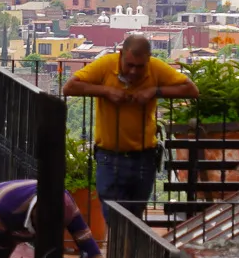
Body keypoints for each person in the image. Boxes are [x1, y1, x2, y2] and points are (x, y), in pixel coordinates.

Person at [62, 34, 198, 223]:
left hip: (144, 157)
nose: (133, 71)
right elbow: (69, 87)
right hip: (109, 156)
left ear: (148, 60)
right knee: (114, 217)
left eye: (140, 67)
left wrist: (154, 92)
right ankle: (120, 251)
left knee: (135, 219)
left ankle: (127, 252)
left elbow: (191, 89)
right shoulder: (106, 65)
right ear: (121, 55)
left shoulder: (156, 68)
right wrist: (106, 91)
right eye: (129, 65)